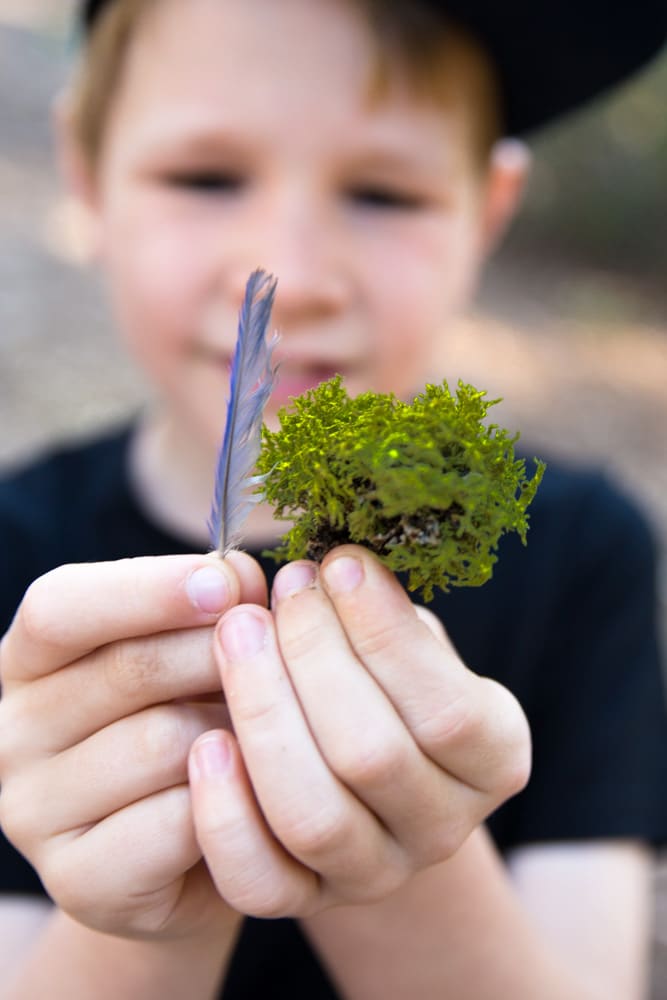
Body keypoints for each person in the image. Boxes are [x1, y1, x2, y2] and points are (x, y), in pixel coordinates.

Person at [0, 1, 665, 997]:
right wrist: (142, 918)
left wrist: (402, 856)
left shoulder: (581, 560)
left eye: (384, 193)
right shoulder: (19, 566)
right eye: (205, 177)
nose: (295, 276)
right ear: (89, 179)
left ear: (485, 211)